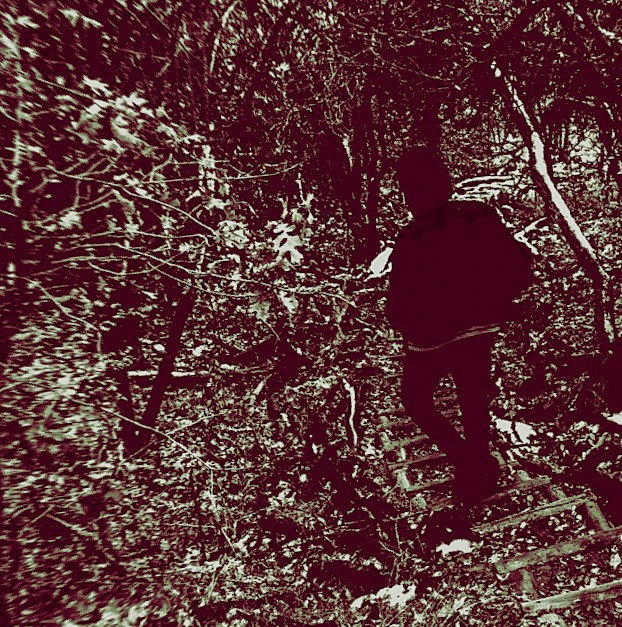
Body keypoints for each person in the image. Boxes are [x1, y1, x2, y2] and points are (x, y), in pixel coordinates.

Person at [386, 146, 534, 504]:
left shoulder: (410, 238)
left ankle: (470, 462)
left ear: (410, 192)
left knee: (415, 398)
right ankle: (479, 467)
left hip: (433, 338)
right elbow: (517, 268)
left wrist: (412, 326)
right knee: (473, 397)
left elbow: (397, 305)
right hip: (481, 327)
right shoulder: (478, 214)